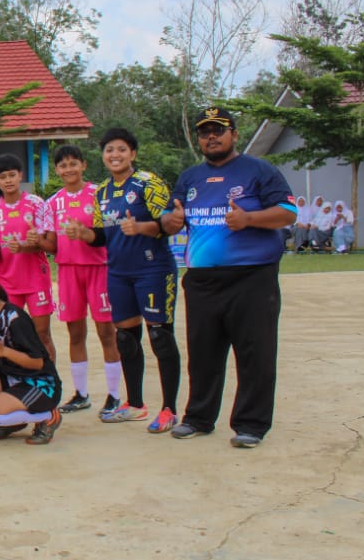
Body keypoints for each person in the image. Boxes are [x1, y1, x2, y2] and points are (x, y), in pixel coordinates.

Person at [162, 106, 297, 449]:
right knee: (203, 352)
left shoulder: (259, 171)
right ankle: (198, 418)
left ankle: (250, 424)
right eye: (205, 131)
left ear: (234, 134)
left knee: (255, 352)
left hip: (251, 278)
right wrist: (172, 222)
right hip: (203, 280)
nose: (211, 136)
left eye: (218, 130)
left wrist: (250, 220)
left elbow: (288, 212)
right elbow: (169, 218)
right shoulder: (190, 177)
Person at [74, 128, 181, 431]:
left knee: (160, 337)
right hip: (118, 272)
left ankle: (169, 409)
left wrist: (143, 228)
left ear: (133, 153)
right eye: (109, 150)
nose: (115, 155)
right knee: (125, 338)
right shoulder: (102, 192)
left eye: (121, 149)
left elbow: (169, 223)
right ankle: (135, 404)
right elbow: (100, 236)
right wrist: (85, 235)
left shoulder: (149, 183)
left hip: (153, 270)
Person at [41, 145, 122, 415]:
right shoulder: (53, 203)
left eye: (73, 163)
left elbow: (110, 233)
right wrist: (35, 241)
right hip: (67, 271)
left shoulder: (100, 194)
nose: (68, 169)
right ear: (57, 170)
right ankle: (81, 394)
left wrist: (85, 233)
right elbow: (51, 244)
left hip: (99, 269)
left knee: (106, 333)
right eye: (63, 166)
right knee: (76, 334)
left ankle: (114, 395)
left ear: (84, 165)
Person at [0, 267, 63, 445]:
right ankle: (12, 416)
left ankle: (48, 415)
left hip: (40, 384)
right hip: (11, 377)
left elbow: (38, 363)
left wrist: (4, 351)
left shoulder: (15, 319)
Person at [0, 154, 56, 362]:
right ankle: (18, 381)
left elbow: (49, 244)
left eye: (12, 175)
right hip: (8, 282)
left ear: (20, 175)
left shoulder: (37, 204)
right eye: (3, 177)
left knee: (42, 334)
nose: (8, 180)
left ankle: (49, 379)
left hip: (36, 280)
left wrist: (32, 243)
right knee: (11, 335)